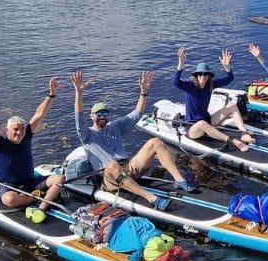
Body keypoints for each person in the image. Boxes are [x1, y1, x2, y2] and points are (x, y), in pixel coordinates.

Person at [72, 70, 194, 211]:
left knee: (156, 142)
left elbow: (137, 114)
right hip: (109, 177)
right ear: (92, 116)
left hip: (128, 168)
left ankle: (179, 179)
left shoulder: (115, 126)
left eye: (105, 113)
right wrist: (79, 93)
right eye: (99, 113)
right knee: (112, 165)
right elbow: (78, 119)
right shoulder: (86, 134)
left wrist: (143, 92)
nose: (102, 116)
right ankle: (152, 198)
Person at [0, 77, 65, 224]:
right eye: (15, 130)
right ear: (7, 130)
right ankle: (38, 196)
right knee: (9, 200)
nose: (19, 133)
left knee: (60, 179)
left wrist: (51, 94)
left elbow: (39, 114)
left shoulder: (26, 136)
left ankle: (41, 208)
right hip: (9, 186)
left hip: (31, 182)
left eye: (22, 129)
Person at [173, 47, 256, 152]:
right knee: (202, 123)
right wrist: (180, 64)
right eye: (200, 74)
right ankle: (234, 141)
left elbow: (229, 79)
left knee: (232, 105)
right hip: (192, 127)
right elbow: (176, 82)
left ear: (208, 76)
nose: (203, 76)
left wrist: (227, 67)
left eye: (205, 74)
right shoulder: (190, 86)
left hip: (208, 120)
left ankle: (244, 134)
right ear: (196, 76)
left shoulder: (210, 85)